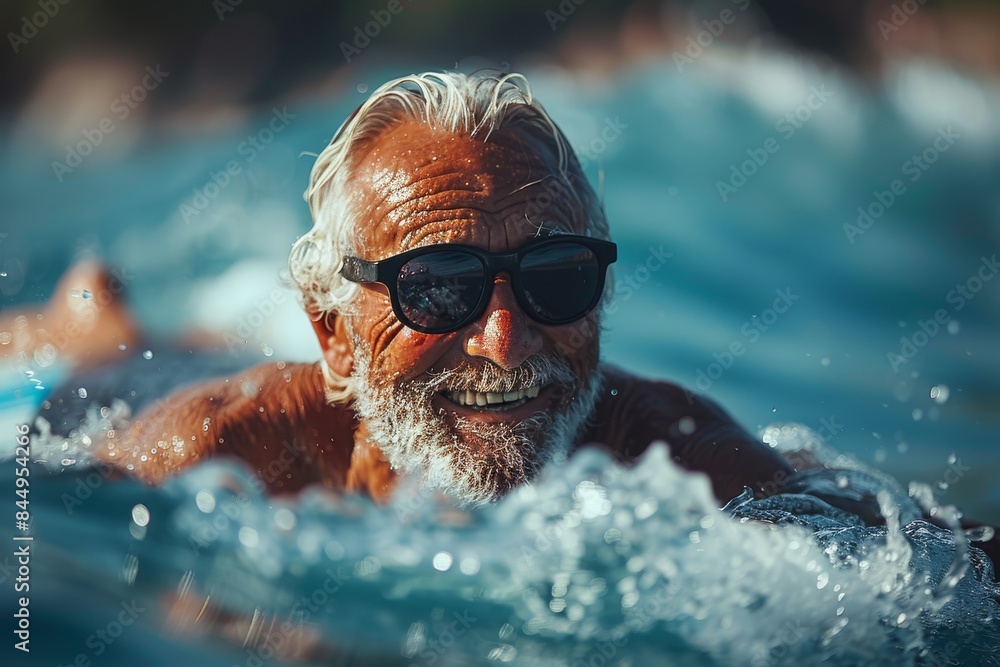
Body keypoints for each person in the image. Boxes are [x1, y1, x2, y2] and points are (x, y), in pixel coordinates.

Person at [20, 72, 999, 576]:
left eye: (554, 279)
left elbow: (924, 564)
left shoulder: (667, 454)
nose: (508, 340)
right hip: (119, 383)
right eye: (438, 289)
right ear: (332, 333)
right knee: (105, 333)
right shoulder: (212, 455)